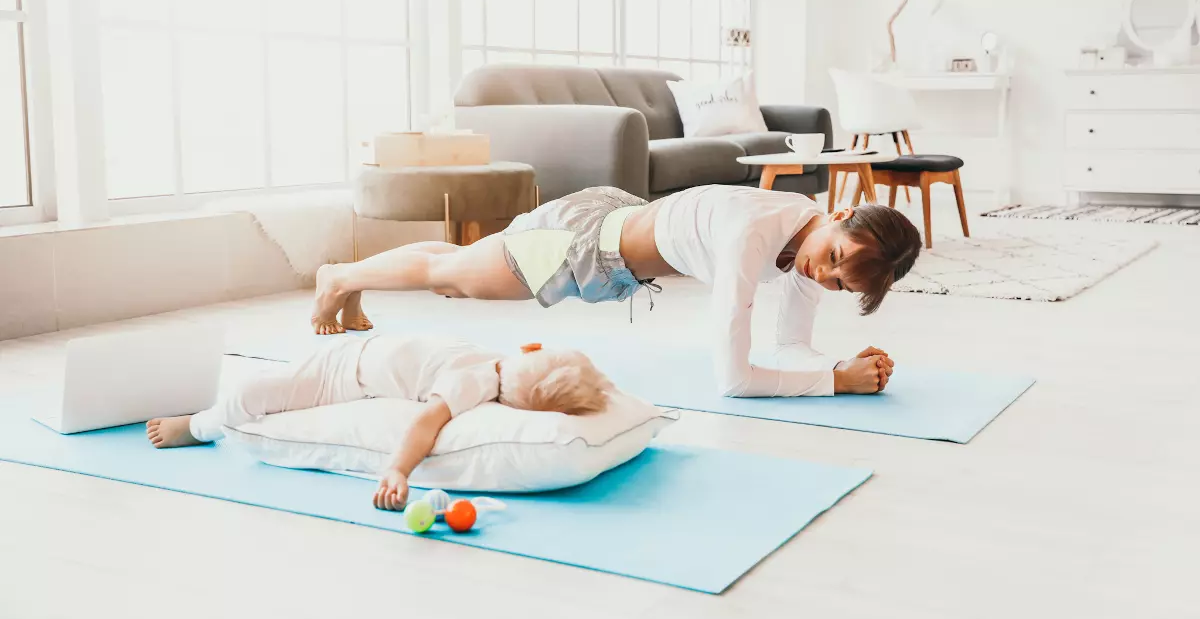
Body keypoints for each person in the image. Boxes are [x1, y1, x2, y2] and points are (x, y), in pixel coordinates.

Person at [310, 185, 922, 397]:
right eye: (836, 258)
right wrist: (831, 383)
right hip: (583, 247)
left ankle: (351, 279)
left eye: (842, 282)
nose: (825, 275)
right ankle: (340, 277)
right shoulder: (753, 234)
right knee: (454, 281)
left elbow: (790, 345)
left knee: (459, 267)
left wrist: (835, 366)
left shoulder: (806, 232)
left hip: (614, 235)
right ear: (840, 214)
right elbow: (735, 379)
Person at [146, 337, 608, 510]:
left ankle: (199, 426)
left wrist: (398, 469)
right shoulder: (497, 361)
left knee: (249, 395)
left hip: (342, 378)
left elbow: (427, 422)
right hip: (351, 355)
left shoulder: (477, 382)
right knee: (260, 386)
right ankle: (205, 419)